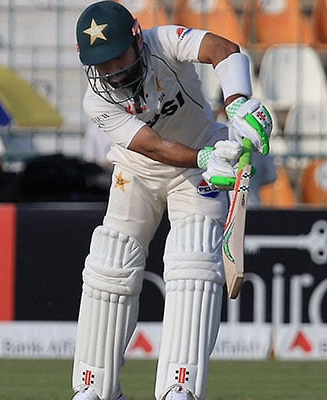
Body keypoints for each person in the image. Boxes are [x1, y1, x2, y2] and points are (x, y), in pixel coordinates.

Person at [70, 2, 272, 400]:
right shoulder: (97, 102)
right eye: (102, 64)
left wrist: (238, 106)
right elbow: (152, 146)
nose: (112, 72)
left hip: (197, 170)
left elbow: (223, 50)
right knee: (111, 261)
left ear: (136, 38)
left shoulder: (164, 41)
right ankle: (94, 387)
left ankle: (179, 387)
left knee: (193, 260)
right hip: (140, 170)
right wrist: (204, 157)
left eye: (118, 59)